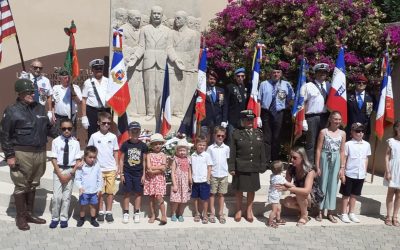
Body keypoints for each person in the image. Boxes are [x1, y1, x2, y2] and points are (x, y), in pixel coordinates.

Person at [0, 79, 58, 231]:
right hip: (21, 153)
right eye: (29, 92)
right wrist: (10, 155)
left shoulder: (40, 108)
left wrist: (63, 135)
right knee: (21, 184)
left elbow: (48, 128)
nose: (33, 94)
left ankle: (30, 214)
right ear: (20, 93)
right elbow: (5, 135)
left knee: (33, 184)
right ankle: (21, 217)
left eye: (33, 91)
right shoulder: (12, 110)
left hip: (40, 152)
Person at [131, 5, 172, 118]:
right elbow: (141, 46)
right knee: (149, 88)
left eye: (158, 14)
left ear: (162, 16)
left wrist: (176, 60)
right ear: (151, 15)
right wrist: (134, 57)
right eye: (154, 13)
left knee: (160, 88)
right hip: (148, 62)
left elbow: (169, 48)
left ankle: (160, 112)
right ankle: (150, 112)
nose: (156, 15)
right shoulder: (145, 30)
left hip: (162, 62)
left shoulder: (168, 31)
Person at [228, 110, 267, 222]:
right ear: (242, 121)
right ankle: (239, 210)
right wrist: (231, 167)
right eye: (247, 120)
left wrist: (263, 164)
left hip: (253, 166)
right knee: (239, 190)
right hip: (240, 166)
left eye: (251, 120)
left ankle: (249, 210)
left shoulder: (259, 133)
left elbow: (262, 151)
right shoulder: (236, 133)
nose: (249, 122)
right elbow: (233, 152)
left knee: (252, 189)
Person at [49, 118, 82, 229]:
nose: (66, 131)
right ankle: (55, 217)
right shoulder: (56, 141)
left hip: (70, 170)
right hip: (58, 169)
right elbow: (53, 159)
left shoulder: (76, 143)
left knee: (66, 196)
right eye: (64, 128)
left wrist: (71, 174)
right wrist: (59, 174)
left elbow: (78, 161)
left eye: (69, 128)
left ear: (72, 129)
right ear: (60, 129)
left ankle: (63, 217)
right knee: (57, 196)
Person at [87, 112, 119, 223]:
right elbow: (89, 151)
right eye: (104, 123)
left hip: (110, 168)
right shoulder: (94, 136)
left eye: (108, 123)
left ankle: (109, 212)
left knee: (110, 192)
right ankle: (100, 211)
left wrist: (117, 165)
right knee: (100, 192)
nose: (106, 125)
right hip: (98, 169)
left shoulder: (113, 136)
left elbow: (115, 152)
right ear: (98, 123)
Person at [258, 66, 295, 162]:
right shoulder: (264, 84)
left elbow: (291, 99)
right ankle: (266, 161)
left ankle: (274, 160)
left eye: (278, 72)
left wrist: (286, 106)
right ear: (271, 73)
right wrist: (258, 116)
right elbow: (258, 100)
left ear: (281, 74)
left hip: (279, 113)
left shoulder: (286, 85)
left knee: (277, 137)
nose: (276, 74)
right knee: (266, 137)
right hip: (266, 112)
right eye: (274, 72)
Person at [315, 111, 346, 223]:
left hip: (336, 159)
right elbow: (318, 149)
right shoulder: (324, 132)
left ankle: (330, 212)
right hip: (324, 157)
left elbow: (342, 151)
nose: (337, 121)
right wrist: (317, 166)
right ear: (330, 119)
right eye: (335, 119)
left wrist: (342, 167)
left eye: (339, 119)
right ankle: (319, 210)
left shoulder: (342, 133)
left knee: (333, 185)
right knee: (322, 184)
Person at [167, 10, 200, 116]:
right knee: (172, 87)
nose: (176, 20)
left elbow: (195, 50)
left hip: (186, 64)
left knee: (182, 88)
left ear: (185, 20)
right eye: (175, 18)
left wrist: (193, 66)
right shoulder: (171, 33)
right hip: (173, 63)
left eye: (179, 18)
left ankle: (179, 110)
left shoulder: (193, 34)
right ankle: (170, 110)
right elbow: (169, 47)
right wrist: (176, 59)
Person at [338, 122, 371, 223]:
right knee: (346, 194)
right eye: (357, 131)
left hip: (360, 174)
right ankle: (343, 213)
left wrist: (364, 173)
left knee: (354, 194)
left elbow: (366, 159)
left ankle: (351, 213)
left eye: (362, 131)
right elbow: (344, 158)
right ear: (352, 132)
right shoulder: (348, 144)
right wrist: (342, 173)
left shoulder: (367, 144)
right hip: (349, 173)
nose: (360, 133)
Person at [279, 146, 317, 226]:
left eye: (295, 158)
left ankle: (304, 216)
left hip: (312, 197)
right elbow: (286, 184)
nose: (292, 160)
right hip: (299, 194)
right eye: (290, 157)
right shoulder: (291, 169)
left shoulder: (310, 170)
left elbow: (307, 190)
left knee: (300, 193)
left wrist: (290, 188)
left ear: (302, 158)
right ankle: (305, 210)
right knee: (287, 202)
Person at [301, 63, 331, 163]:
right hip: (311, 117)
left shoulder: (330, 86)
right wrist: (303, 119)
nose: (322, 74)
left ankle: (320, 165)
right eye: (320, 72)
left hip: (325, 117)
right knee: (311, 143)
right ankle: (309, 165)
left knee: (323, 142)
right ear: (315, 73)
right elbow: (303, 103)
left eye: (324, 72)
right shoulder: (308, 86)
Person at [119, 121, 148, 223]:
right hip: (127, 172)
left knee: (138, 193)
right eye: (133, 131)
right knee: (127, 193)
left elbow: (144, 161)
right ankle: (126, 212)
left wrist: (144, 175)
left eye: (137, 131)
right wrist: (121, 173)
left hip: (138, 173)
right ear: (129, 132)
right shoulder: (125, 145)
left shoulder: (143, 146)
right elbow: (121, 160)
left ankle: (136, 212)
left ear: (140, 132)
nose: (135, 133)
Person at [81, 59, 111, 139]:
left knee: (106, 133)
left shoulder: (108, 81)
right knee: (92, 134)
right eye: (96, 68)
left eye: (100, 68)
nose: (99, 70)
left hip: (106, 110)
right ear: (92, 70)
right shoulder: (87, 82)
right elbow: (84, 100)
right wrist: (84, 116)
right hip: (92, 112)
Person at [75, 146, 103, 227]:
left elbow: (99, 178)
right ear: (85, 157)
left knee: (93, 206)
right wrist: (80, 187)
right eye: (90, 157)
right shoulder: (81, 166)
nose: (92, 159)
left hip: (94, 191)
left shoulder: (97, 165)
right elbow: (77, 178)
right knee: (83, 206)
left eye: (94, 157)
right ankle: (81, 219)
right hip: (84, 191)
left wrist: (99, 189)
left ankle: (93, 219)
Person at [207, 126, 230, 224]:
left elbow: (226, 160)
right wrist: (208, 175)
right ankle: (212, 213)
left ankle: (220, 213)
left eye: (222, 136)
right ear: (214, 136)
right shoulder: (210, 148)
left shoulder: (227, 148)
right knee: (212, 194)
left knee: (221, 194)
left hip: (223, 175)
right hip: (214, 174)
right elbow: (208, 163)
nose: (220, 137)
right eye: (218, 135)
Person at [144, 133, 167, 225]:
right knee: (151, 198)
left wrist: (153, 171)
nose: (157, 146)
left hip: (159, 179)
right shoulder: (149, 155)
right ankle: (153, 215)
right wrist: (159, 168)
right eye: (155, 144)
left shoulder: (163, 155)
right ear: (152, 145)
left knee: (159, 197)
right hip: (150, 180)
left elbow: (164, 168)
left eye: (159, 144)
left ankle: (163, 215)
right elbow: (149, 166)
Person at [51, 68, 82, 132]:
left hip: (71, 117)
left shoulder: (75, 87)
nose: (67, 80)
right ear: (60, 79)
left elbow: (79, 102)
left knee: (72, 137)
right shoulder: (55, 88)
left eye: (68, 78)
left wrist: (72, 91)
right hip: (59, 118)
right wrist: (53, 114)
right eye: (65, 78)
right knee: (59, 137)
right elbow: (53, 103)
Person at [191, 136, 213, 224]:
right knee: (195, 198)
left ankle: (205, 215)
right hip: (195, 180)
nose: (201, 147)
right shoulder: (193, 155)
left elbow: (209, 167)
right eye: (200, 145)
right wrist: (191, 178)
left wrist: (208, 178)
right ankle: (197, 213)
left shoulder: (207, 155)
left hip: (204, 181)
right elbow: (191, 167)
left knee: (205, 198)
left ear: (206, 146)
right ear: (196, 145)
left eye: (204, 145)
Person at [346, 73, 374, 141]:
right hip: (350, 129)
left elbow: (369, 113)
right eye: (359, 82)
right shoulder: (348, 96)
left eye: (364, 83)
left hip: (364, 130)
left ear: (366, 84)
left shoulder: (370, 97)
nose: (361, 84)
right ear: (355, 83)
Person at [170, 138, 192, 222]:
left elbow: (189, 170)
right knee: (176, 200)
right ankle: (173, 213)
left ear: (187, 151)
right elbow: (172, 172)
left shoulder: (188, 159)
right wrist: (174, 184)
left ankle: (180, 214)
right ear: (177, 151)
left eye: (184, 150)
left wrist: (190, 179)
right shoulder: (175, 159)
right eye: (180, 150)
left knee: (183, 201)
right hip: (177, 183)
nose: (182, 152)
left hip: (185, 183)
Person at [201, 70, 227, 142]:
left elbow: (224, 106)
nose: (212, 81)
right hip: (205, 121)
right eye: (211, 79)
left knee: (215, 143)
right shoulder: (203, 90)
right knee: (204, 141)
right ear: (207, 79)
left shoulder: (220, 90)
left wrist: (224, 120)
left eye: (214, 79)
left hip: (217, 122)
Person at [224, 68, 248, 142]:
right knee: (231, 140)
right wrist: (224, 119)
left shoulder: (247, 88)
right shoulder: (230, 87)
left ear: (244, 77)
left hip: (243, 119)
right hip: (232, 119)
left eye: (242, 76)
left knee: (242, 141)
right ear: (235, 77)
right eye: (238, 76)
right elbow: (226, 104)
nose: (240, 78)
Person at [384, 120, 400, 226]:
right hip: (393, 168)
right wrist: (388, 170)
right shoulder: (391, 141)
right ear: (396, 128)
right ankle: (388, 216)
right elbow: (387, 156)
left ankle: (395, 216)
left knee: (399, 194)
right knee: (391, 192)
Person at [267, 160, 290, 228]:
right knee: (274, 210)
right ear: (281, 169)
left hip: (274, 195)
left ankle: (278, 219)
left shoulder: (272, 175)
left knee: (279, 208)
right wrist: (293, 186)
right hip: (275, 196)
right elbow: (287, 183)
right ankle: (270, 222)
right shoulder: (280, 178)